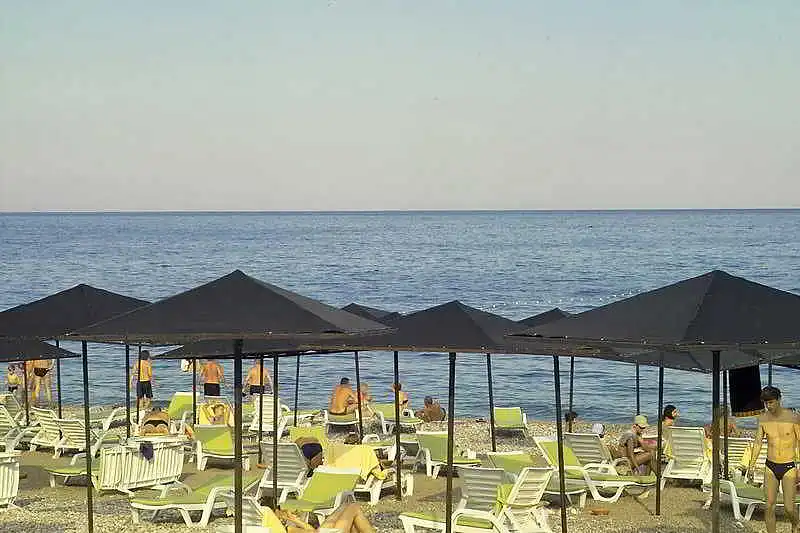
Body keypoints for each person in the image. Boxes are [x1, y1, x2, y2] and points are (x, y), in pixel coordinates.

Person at [747, 386, 800, 533]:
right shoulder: (763, 419)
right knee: (769, 506)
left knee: (789, 508)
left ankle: (796, 524)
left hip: (789, 465)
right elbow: (758, 442)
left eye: (771, 402)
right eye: (766, 403)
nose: (768, 406)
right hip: (770, 465)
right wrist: (751, 465)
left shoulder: (793, 418)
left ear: (779, 400)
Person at [267, 502, 375, 533]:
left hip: (323, 532)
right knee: (353, 507)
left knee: (345, 506)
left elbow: (311, 531)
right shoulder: (286, 530)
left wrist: (294, 519)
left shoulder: (285, 529)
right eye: (278, 511)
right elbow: (312, 532)